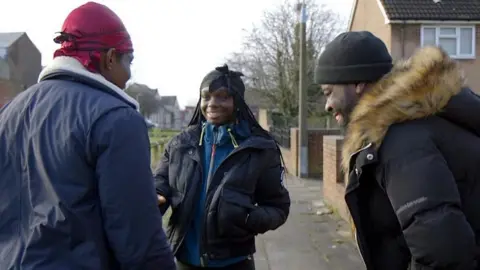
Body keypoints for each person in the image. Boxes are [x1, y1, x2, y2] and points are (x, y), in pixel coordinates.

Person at [0, 2, 175, 269]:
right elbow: (138, 243)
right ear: (109, 58)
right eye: (129, 61)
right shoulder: (117, 118)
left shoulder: (9, 112)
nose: (128, 76)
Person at [315, 31, 480, 270]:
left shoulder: (402, 141)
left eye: (329, 92)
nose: (327, 105)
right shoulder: (408, 129)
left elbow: (442, 256)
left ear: (358, 83)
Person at [154, 64, 291, 270]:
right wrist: (157, 195)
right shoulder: (180, 144)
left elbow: (278, 208)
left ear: (237, 101)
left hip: (234, 262)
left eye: (222, 96)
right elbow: (161, 182)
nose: (212, 103)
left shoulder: (259, 149)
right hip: (184, 260)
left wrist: (247, 218)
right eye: (206, 96)